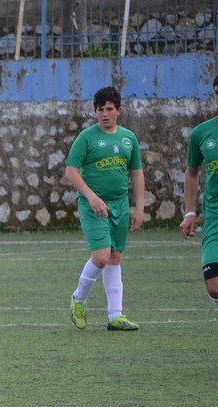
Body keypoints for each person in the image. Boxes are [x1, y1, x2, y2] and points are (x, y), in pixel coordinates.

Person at [65, 85, 145, 332]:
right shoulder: (86, 137)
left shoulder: (128, 138)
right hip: (94, 206)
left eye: (109, 109)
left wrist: (139, 207)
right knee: (101, 257)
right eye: (100, 109)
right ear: (95, 112)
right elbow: (71, 171)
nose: (104, 114)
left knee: (115, 257)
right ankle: (78, 299)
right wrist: (91, 196)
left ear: (118, 110)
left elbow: (136, 172)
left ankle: (115, 315)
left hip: (120, 205)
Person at [180, 68, 218, 351]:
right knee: (216, 289)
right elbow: (191, 173)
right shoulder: (202, 133)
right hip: (216, 220)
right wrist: (190, 213)